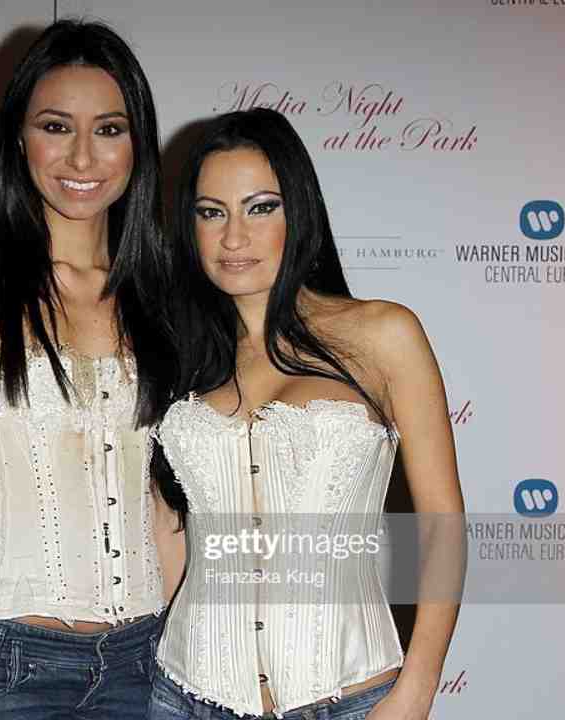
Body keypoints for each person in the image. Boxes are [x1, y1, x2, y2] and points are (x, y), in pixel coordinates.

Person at [147, 108, 465, 720]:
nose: (233, 237)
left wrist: (417, 690)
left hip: (350, 698)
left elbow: (442, 523)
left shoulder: (383, 334)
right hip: (183, 695)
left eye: (260, 208)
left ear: (299, 211)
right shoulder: (178, 352)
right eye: (211, 212)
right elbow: (169, 527)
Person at [0, 19, 184, 719]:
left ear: (138, 143)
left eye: (109, 129)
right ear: (18, 137)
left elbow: (161, 500)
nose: (83, 155)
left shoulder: (161, 295)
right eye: (55, 126)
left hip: (142, 661)